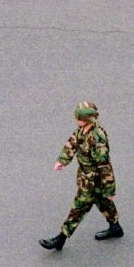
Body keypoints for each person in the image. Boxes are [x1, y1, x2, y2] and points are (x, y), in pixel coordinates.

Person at [40, 101, 122, 250]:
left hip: (93, 181)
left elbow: (104, 166)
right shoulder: (82, 130)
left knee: (78, 208)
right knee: (103, 202)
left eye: (78, 117)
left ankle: (61, 238)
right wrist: (62, 161)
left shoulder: (97, 138)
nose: (76, 120)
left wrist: (110, 189)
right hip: (86, 177)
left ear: (86, 119)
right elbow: (72, 143)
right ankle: (115, 226)